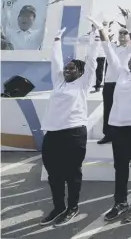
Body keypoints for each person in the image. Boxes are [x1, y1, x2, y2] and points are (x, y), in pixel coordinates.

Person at [91, 14, 131, 223]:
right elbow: (109, 51)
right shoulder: (121, 73)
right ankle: (119, 203)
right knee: (120, 167)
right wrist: (101, 30)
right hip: (118, 127)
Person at [39, 27, 98, 227]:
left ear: (80, 73)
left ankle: (72, 207)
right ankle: (58, 207)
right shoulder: (59, 82)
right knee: (53, 174)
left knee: (72, 173)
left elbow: (92, 62)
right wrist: (56, 39)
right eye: (67, 67)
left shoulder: (83, 84)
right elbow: (55, 60)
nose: (67, 69)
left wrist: (95, 39)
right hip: (52, 134)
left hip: (74, 133)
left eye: (72, 68)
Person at [98, 27, 131, 144]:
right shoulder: (112, 47)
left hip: (123, 82)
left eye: (125, 33)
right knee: (108, 108)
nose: (122, 35)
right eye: (120, 33)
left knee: (122, 108)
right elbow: (105, 41)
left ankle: (122, 134)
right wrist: (100, 28)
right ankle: (107, 134)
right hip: (109, 82)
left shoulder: (130, 49)